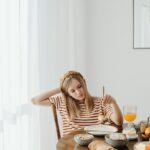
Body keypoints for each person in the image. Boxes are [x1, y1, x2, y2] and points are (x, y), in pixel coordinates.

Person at [31, 70, 123, 136]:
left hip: (93, 145)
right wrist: (61, 89)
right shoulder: (62, 102)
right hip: (71, 146)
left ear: (84, 84)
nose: (78, 92)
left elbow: (119, 122)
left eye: (79, 86)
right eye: (72, 90)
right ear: (67, 93)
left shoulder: (99, 102)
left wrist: (114, 103)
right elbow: (35, 101)